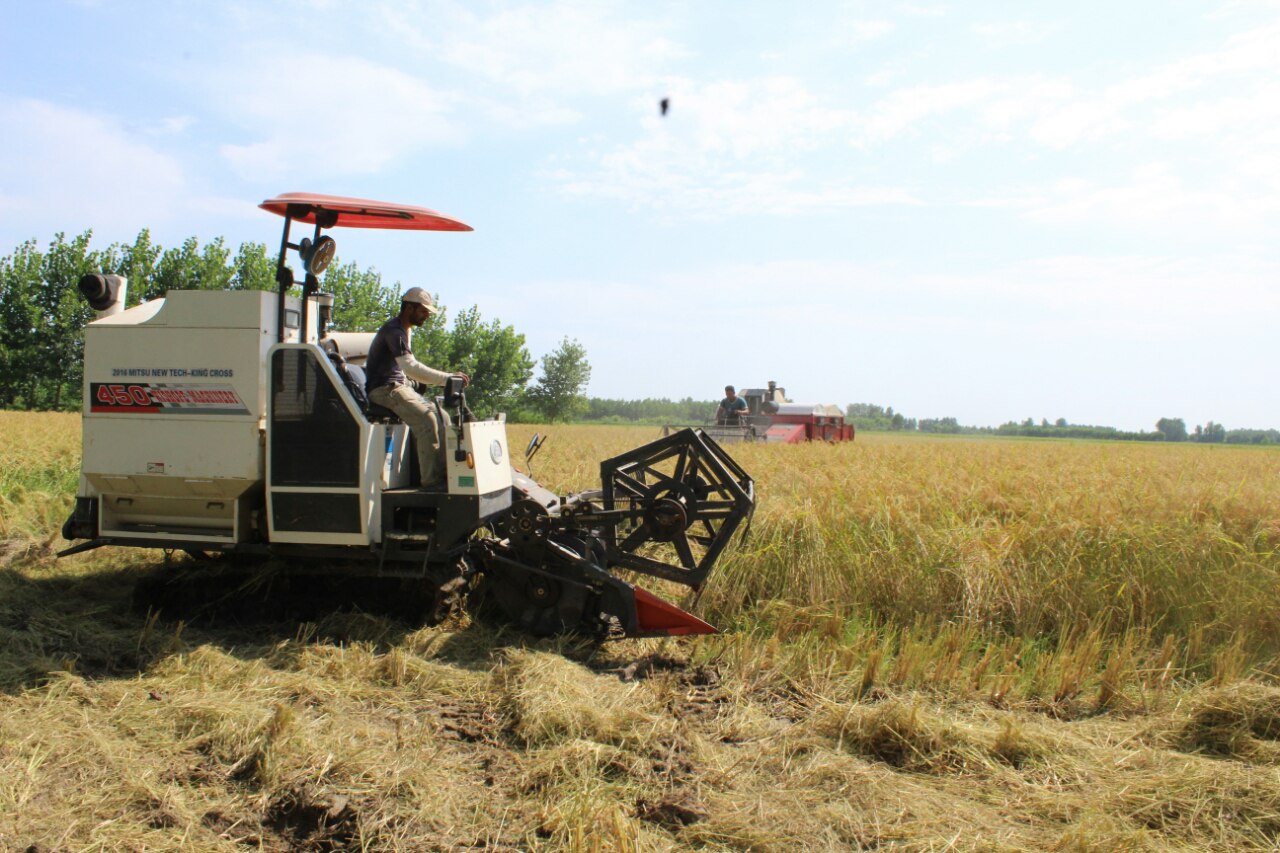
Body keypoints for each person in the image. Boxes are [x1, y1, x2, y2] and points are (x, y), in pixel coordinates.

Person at [365, 287, 469, 488]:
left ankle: (449, 477)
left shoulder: (405, 330)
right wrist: (447, 378)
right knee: (426, 419)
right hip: (383, 390)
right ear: (409, 308)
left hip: (397, 386)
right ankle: (432, 483)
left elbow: (405, 372)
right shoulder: (394, 331)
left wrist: (419, 383)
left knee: (444, 418)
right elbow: (409, 367)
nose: (427, 316)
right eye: (423, 311)